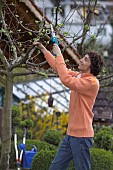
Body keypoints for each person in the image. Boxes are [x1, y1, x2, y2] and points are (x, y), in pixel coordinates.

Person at [33, 42, 103, 170]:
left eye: (85, 59)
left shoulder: (91, 83)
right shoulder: (79, 76)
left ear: (92, 66)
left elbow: (65, 79)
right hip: (70, 135)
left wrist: (59, 54)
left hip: (82, 137)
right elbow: (60, 69)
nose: (81, 60)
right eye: (83, 57)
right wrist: (44, 50)